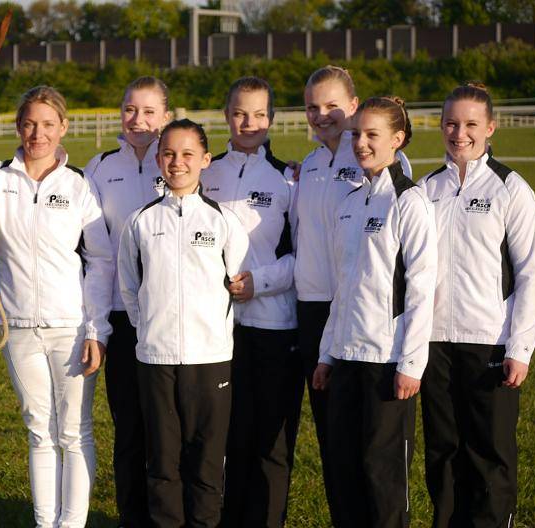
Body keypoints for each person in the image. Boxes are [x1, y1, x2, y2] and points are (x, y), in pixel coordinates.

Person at [0, 86, 114, 528]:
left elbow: (102, 261)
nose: (38, 134)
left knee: (73, 432)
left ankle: (71, 524)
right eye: (30, 124)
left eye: (48, 124)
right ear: (18, 127)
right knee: (38, 429)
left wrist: (97, 330)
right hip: (17, 327)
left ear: (63, 128)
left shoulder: (78, 186)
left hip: (70, 327)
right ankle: (44, 522)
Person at [418, 83, 535, 528]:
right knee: (444, 450)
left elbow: (529, 274)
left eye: (471, 124)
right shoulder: (426, 188)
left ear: (490, 127)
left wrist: (519, 349)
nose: (460, 133)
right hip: (434, 344)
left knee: (489, 452)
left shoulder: (511, 189)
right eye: (452, 123)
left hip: (489, 343)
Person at [312, 96, 437, 528]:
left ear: (397, 139)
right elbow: (342, 289)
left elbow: (422, 289)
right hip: (346, 359)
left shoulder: (410, 202)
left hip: (387, 365)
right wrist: (328, 355)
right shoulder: (348, 203)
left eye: (372, 135)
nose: (361, 143)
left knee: (382, 479)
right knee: (344, 476)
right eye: (356, 134)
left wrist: (412, 364)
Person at [118, 119, 250, 528]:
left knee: (206, 465)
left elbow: (236, 284)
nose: (177, 162)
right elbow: (130, 289)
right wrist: (151, 332)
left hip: (209, 360)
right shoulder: (140, 222)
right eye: (169, 154)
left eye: (188, 154)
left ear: (205, 160)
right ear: (158, 159)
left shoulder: (222, 221)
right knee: (162, 462)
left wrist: (210, 332)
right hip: (155, 360)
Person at [293, 66, 413, 515]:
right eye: (312, 106)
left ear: (354, 106)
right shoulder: (307, 165)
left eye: (332, 106)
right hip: (318, 316)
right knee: (334, 444)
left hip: (371, 318)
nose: (322, 115)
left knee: (375, 451)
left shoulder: (375, 161)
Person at [199, 76, 298, 528]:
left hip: (274, 327)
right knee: (224, 438)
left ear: (272, 118)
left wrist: (261, 282)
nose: (249, 122)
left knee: (269, 444)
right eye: (240, 112)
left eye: (259, 114)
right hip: (215, 332)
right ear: (226, 115)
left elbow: (304, 256)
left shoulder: (289, 179)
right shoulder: (205, 172)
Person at [84, 76, 171, 528]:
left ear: (167, 117)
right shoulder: (99, 168)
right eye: (130, 110)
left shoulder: (180, 163)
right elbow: (91, 254)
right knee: (129, 428)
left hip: (171, 320)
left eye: (149, 111)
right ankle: (132, 517)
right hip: (122, 319)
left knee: (169, 430)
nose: (138, 121)